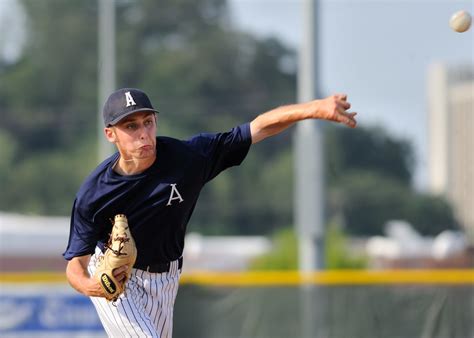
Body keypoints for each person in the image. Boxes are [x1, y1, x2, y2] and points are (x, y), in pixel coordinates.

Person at [63, 88, 357, 337]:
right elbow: (75, 264)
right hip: (117, 279)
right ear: (110, 134)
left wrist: (314, 108)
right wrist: (96, 286)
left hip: (166, 279)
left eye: (147, 122)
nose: (143, 134)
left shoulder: (187, 158)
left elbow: (256, 129)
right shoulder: (95, 193)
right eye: (130, 126)